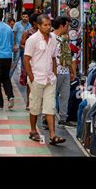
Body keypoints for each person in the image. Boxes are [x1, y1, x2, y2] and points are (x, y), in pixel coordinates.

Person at [24, 14, 66, 145]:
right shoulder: (32, 39)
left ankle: (53, 136)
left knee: (50, 107)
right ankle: (32, 130)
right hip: (37, 78)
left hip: (50, 79)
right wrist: (31, 77)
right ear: (38, 26)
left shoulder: (53, 38)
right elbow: (26, 59)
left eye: (49, 25)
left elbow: (53, 57)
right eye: (45, 25)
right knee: (35, 106)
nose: (48, 27)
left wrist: (54, 72)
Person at [52, 16, 75, 127]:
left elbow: (67, 56)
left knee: (64, 96)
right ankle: (46, 118)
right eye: (67, 25)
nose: (68, 28)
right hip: (55, 71)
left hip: (64, 71)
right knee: (51, 95)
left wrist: (71, 71)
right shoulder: (51, 38)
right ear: (62, 26)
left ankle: (63, 117)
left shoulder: (63, 39)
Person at [19, 13, 39, 110]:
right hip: (30, 60)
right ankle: (29, 102)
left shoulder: (44, 33)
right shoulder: (27, 32)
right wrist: (30, 48)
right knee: (29, 81)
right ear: (34, 22)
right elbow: (21, 45)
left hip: (41, 61)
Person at [11, 11, 32, 78]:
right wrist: (14, 45)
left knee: (24, 64)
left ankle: (23, 79)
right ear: (21, 17)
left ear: (28, 17)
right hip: (17, 47)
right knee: (14, 63)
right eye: (23, 17)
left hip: (25, 47)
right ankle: (8, 78)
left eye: (26, 17)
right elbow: (13, 35)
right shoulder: (17, 24)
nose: (25, 18)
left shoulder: (30, 25)